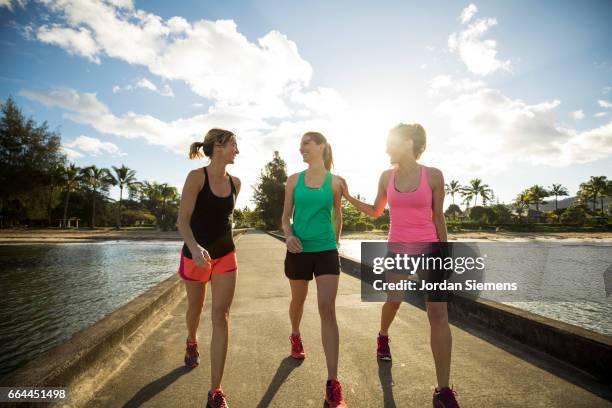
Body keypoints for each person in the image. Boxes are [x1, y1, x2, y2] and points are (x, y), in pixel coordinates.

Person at [340, 124, 460, 407]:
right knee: (394, 300)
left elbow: (438, 216)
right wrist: (347, 196)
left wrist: (445, 252)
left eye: (391, 142)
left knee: (438, 312)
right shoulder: (386, 177)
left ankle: (443, 390)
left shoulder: (433, 175)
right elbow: (375, 212)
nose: (386, 147)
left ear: (409, 143)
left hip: (431, 248)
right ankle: (383, 336)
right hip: (398, 248)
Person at [281, 131, 347, 408]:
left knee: (326, 308)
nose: (302, 148)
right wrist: (288, 235)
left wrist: (335, 243)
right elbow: (285, 217)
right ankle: (295, 335)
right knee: (298, 300)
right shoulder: (293, 180)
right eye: (300, 145)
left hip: (325, 250)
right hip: (298, 250)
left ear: (321, 146)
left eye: (307, 143)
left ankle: (333, 383)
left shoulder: (336, 182)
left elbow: (338, 216)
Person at [177, 128, 241, 408]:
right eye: (234, 145)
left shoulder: (236, 182)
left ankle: (216, 390)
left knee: (221, 315)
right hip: (195, 255)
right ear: (218, 146)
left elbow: (224, 219)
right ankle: (192, 340)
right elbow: (182, 220)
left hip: (225, 255)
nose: (237, 151)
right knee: (195, 309)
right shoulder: (196, 177)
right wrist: (194, 247)